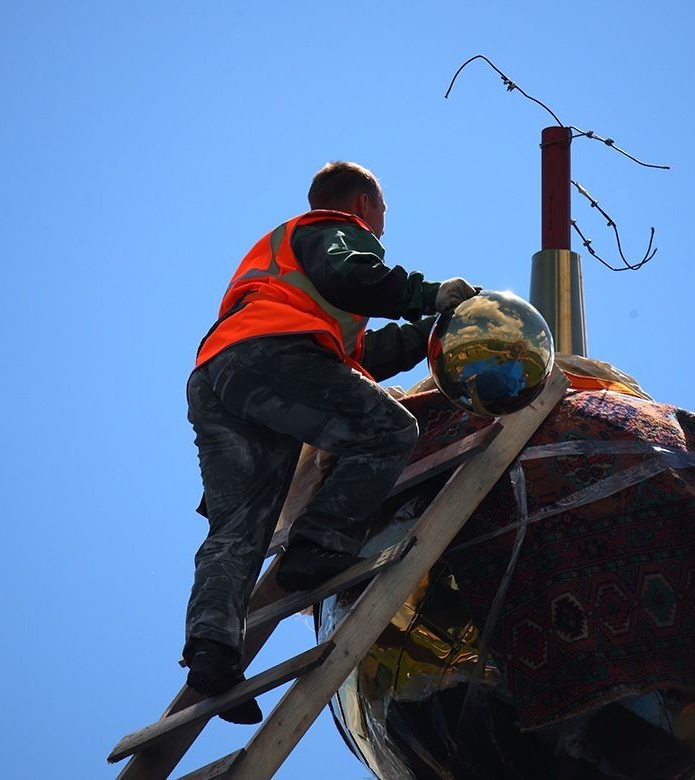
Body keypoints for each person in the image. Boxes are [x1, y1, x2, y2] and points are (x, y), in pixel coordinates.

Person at [182, 161, 479, 723]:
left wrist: (430, 329)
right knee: (390, 430)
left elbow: (358, 362)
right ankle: (317, 544)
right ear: (365, 204)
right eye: (383, 212)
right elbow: (356, 277)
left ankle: (213, 651)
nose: (384, 226)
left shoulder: (290, 266)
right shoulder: (332, 231)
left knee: (239, 527)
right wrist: (431, 294)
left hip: (223, 374)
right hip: (275, 355)